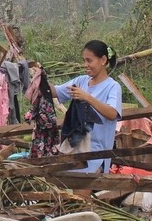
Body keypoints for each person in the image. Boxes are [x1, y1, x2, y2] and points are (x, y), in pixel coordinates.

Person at [52, 40, 122, 173]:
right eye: (84, 61)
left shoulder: (112, 86)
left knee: (81, 191)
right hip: (76, 150)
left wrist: (87, 97)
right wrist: (39, 77)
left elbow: (112, 113)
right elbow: (56, 92)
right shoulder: (81, 81)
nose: (86, 65)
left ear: (103, 60)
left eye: (89, 61)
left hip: (97, 154)